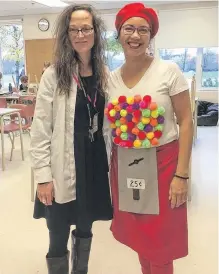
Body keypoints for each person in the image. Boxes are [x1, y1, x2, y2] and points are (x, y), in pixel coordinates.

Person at [105, 3, 193, 274]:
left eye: (143, 30)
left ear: (151, 35)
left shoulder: (168, 71)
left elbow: (187, 121)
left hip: (163, 165)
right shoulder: (110, 78)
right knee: (139, 238)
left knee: (161, 242)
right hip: (125, 166)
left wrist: (182, 175)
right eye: (129, 28)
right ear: (118, 34)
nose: (135, 36)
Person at [30, 4, 113, 274]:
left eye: (86, 28)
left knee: (86, 228)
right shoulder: (54, 75)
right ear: (66, 34)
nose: (80, 34)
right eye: (74, 29)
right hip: (61, 166)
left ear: (95, 32)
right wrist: (43, 177)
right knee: (57, 232)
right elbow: (41, 128)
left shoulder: (104, 73)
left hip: (92, 164)